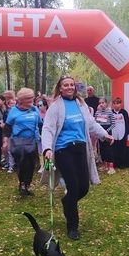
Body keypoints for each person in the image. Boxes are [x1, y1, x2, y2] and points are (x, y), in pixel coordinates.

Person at [42, 75, 114, 240]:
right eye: (65, 85)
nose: (69, 87)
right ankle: (72, 227)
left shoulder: (81, 104)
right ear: (60, 88)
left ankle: (67, 201)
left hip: (81, 148)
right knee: (73, 187)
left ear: (74, 87)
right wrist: (47, 148)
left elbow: (91, 124)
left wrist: (104, 135)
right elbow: (47, 128)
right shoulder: (55, 107)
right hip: (63, 149)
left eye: (71, 85)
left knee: (84, 187)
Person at [3, 88, 41, 196]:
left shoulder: (34, 109)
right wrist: (5, 142)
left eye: (32, 98)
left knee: (31, 164)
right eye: (28, 98)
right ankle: (22, 184)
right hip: (18, 142)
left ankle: (27, 184)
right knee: (22, 164)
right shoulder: (14, 111)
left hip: (32, 141)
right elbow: (7, 128)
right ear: (21, 100)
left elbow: (40, 124)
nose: (31, 100)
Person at [94, 97, 115, 173]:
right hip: (100, 132)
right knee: (101, 149)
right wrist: (99, 132)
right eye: (100, 103)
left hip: (107, 132)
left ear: (106, 103)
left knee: (108, 149)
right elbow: (95, 123)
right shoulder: (97, 112)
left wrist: (106, 131)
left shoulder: (110, 112)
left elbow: (113, 124)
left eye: (103, 103)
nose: (101, 104)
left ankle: (111, 167)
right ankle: (104, 165)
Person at [111, 97, 129, 170]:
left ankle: (122, 164)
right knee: (114, 149)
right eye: (115, 103)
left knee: (122, 149)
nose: (116, 105)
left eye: (118, 103)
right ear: (113, 105)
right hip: (114, 134)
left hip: (123, 134)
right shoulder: (111, 113)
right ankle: (115, 164)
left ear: (121, 104)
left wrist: (127, 133)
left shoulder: (124, 112)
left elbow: (127, 123)